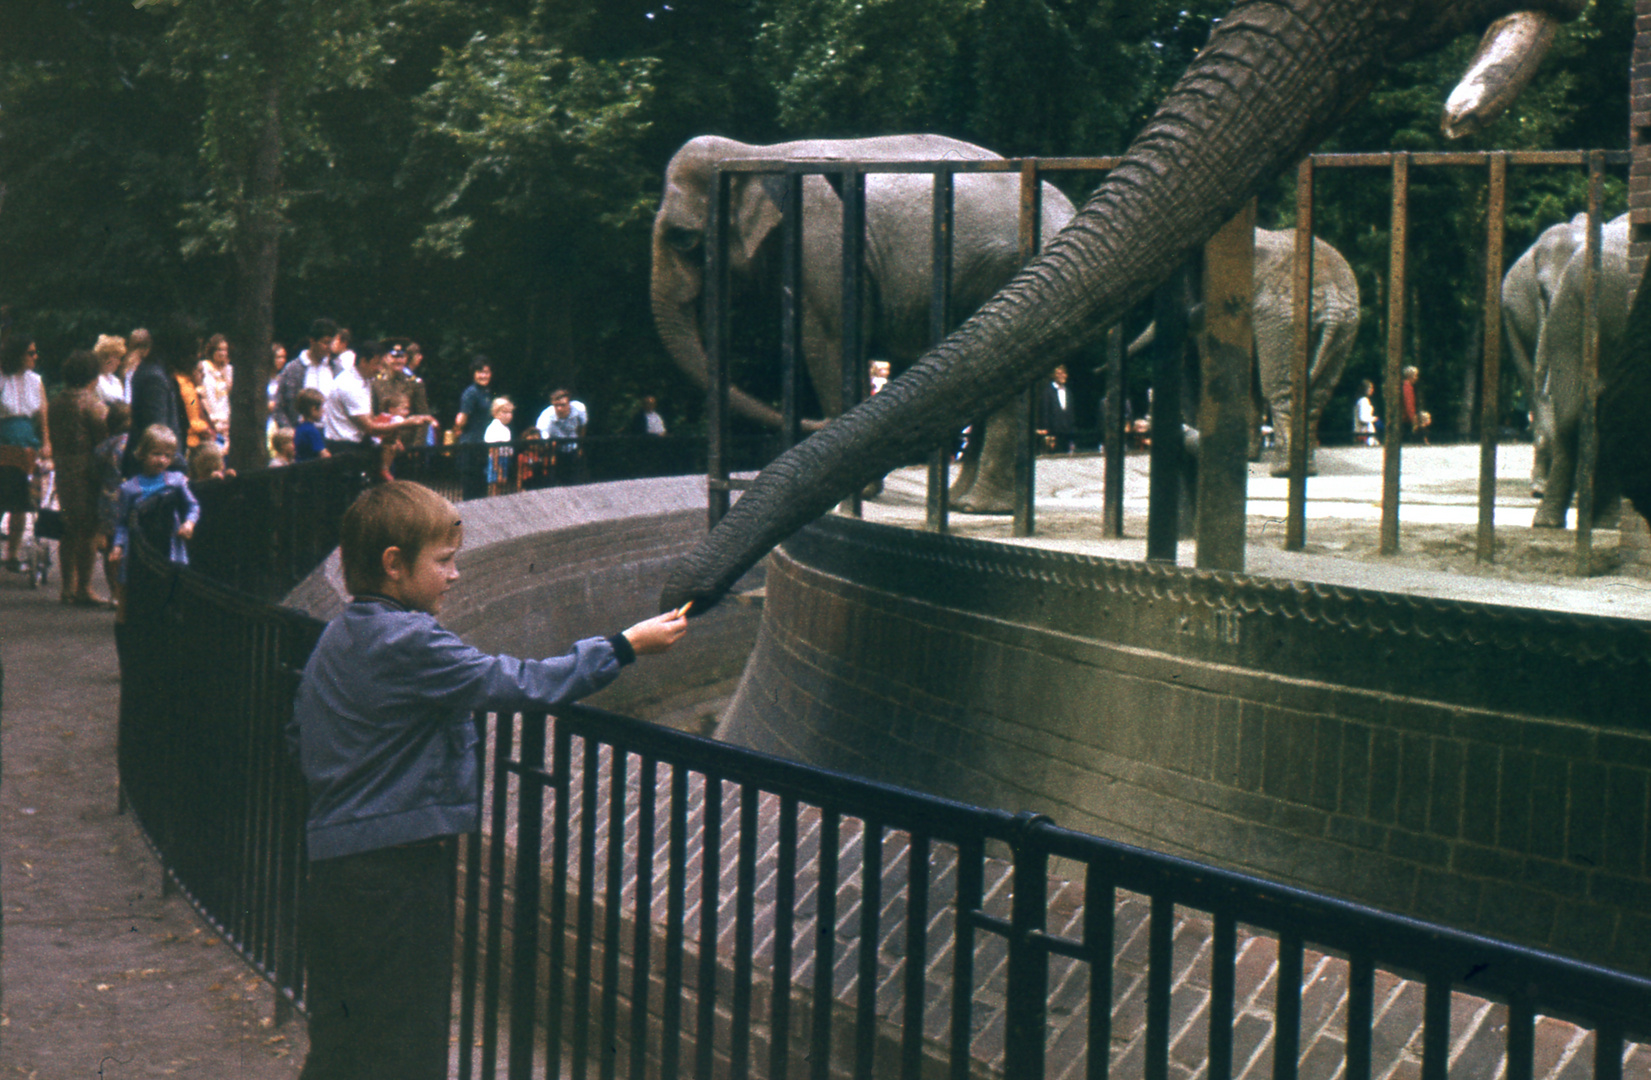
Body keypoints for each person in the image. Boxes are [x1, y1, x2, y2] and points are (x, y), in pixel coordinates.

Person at [286, 480, 686, 1079]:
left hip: (338, 866)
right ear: (394, 566)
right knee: (406, 1036)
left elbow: (300, 735)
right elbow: (517, 682)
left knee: (346, 1035)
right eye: (444, 561)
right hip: (396, 870)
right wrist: (623, 646)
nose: (455, 576)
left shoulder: (341, 634)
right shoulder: (409, 639)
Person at [109, 424, 200, 598]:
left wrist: (189, 523)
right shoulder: (129, 488)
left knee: (171, 587)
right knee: (136, 589)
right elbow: (122, 522)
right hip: (140, 546)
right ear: (142, 453)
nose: (161, 460)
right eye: (156, 454)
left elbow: (192, 505)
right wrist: (117, 546)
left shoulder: (176, 481)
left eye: (167, 455)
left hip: (170, 542)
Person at [48, 350, 110, 605]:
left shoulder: (57, 402)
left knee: (69, 528)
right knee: (89, 530)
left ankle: (66, 587)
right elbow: (103, 440)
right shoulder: (91, 403)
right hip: (87, 472)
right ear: (92, 375)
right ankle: (85, 587)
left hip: (63, 469)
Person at [322, 340, 432, 466]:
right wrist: (405, 424)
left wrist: (398, 439)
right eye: (377, 364)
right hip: (344, 449)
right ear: (363, 361)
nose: (380, 369)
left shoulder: (365, 380)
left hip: (372, 444)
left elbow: (372, 417)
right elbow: (370, 427)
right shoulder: (349, 385)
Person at [0, 334, 51, 569]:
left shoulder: (35, 380)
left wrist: (47, 443)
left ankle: (12, 554)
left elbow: (42, 414)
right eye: (30, 352)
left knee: (22, 499)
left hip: (27, 440)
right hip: (4, 439)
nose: (35, 357)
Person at [124, 315, 194, 477]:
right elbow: (158, 435)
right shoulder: (154, 378)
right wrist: (181, 468)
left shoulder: (155, 372)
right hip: (154, 474)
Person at [94, 402, 131, 609]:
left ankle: (115, 593)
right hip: (130, 500)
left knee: (110, 547)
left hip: (108, 500)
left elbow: (94, 470)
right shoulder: (136, 443)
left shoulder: (104, 446)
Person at [275, 319, 343, 429]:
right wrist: (289, 430)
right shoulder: (293, 369)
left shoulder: (336, 369)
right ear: (312, 341)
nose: (329, 347)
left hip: (330, 433)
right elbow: (279, 405)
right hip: (301, 432)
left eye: (332, 343)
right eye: (325, 342)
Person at [452, 357, 493, 500]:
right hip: (470, 443)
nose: (484, 376)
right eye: (480, 372)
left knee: (482, 484)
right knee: (471, 486)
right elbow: (462, 418)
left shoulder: (486, 392)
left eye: (487, 372)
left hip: (483, 442)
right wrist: (457, 429)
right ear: (474, 374)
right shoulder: (471, 392)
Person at [537, 388, 586, 486]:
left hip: (573, 446)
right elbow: (542, 435)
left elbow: (582, 426)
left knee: (573, 480)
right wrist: (549, 450)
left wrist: (580, 446)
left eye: (563, 405)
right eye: (556, 405)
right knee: (554, 481)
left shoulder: (579, 409)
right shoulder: (546, 416)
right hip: (554, 450)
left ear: (569, 403)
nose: (559, 408)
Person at [196, 333, 233, 449]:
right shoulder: (204, 367)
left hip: (226, 419)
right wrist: (211, 417)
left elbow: (230, 395)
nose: (223, 353)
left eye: (225, 350)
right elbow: (201, 394)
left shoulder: (229, 369)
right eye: (219, 350)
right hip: (211, 417)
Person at [1038, 364, 1076, 453]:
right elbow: (1045, 412)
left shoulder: (1068, 392)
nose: (1063, 376)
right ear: (1054, 375)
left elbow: (1070, 412)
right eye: (1059, 374)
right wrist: (1046, 429)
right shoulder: (1047, 392)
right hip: (1053, 433)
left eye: (1064, 374)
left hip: (1066, 432)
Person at [483, 396, 515, 493]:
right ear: (495, 413)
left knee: (501, 484)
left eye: (510, 412)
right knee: (494, 484)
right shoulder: (494, 427)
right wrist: (498, 468)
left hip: (504, 458)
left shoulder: (506, 428)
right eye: (504, 412)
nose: (508, 415)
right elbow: (493, 449)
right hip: (496, 459)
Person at [293, 389, 328, 462]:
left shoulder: (299, 427)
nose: (323, 411)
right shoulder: (311, 431)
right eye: (321, 407)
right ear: (314, 409)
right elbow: (325, 455)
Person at [94, 334, 128, 405]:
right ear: (106, 357)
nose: (119, 363)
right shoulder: (95, 380)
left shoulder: (115, 380)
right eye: (117, 358)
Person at [1353, 379, 1378, 446]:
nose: (1372, 389)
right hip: (1364, 433)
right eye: (1370, 387)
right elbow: (1363, 418)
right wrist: (1374, 419)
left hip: (1367, 432)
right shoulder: (1363, 401)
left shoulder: (1362, 400)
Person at [1400, 365, 1421, 442]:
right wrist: (1413, 419)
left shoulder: (1405, 386)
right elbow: (1408, 404)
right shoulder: (1407, 387)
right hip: (1406, 420)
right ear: (1410, 376)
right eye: (1415, 375)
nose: (1416, 378)